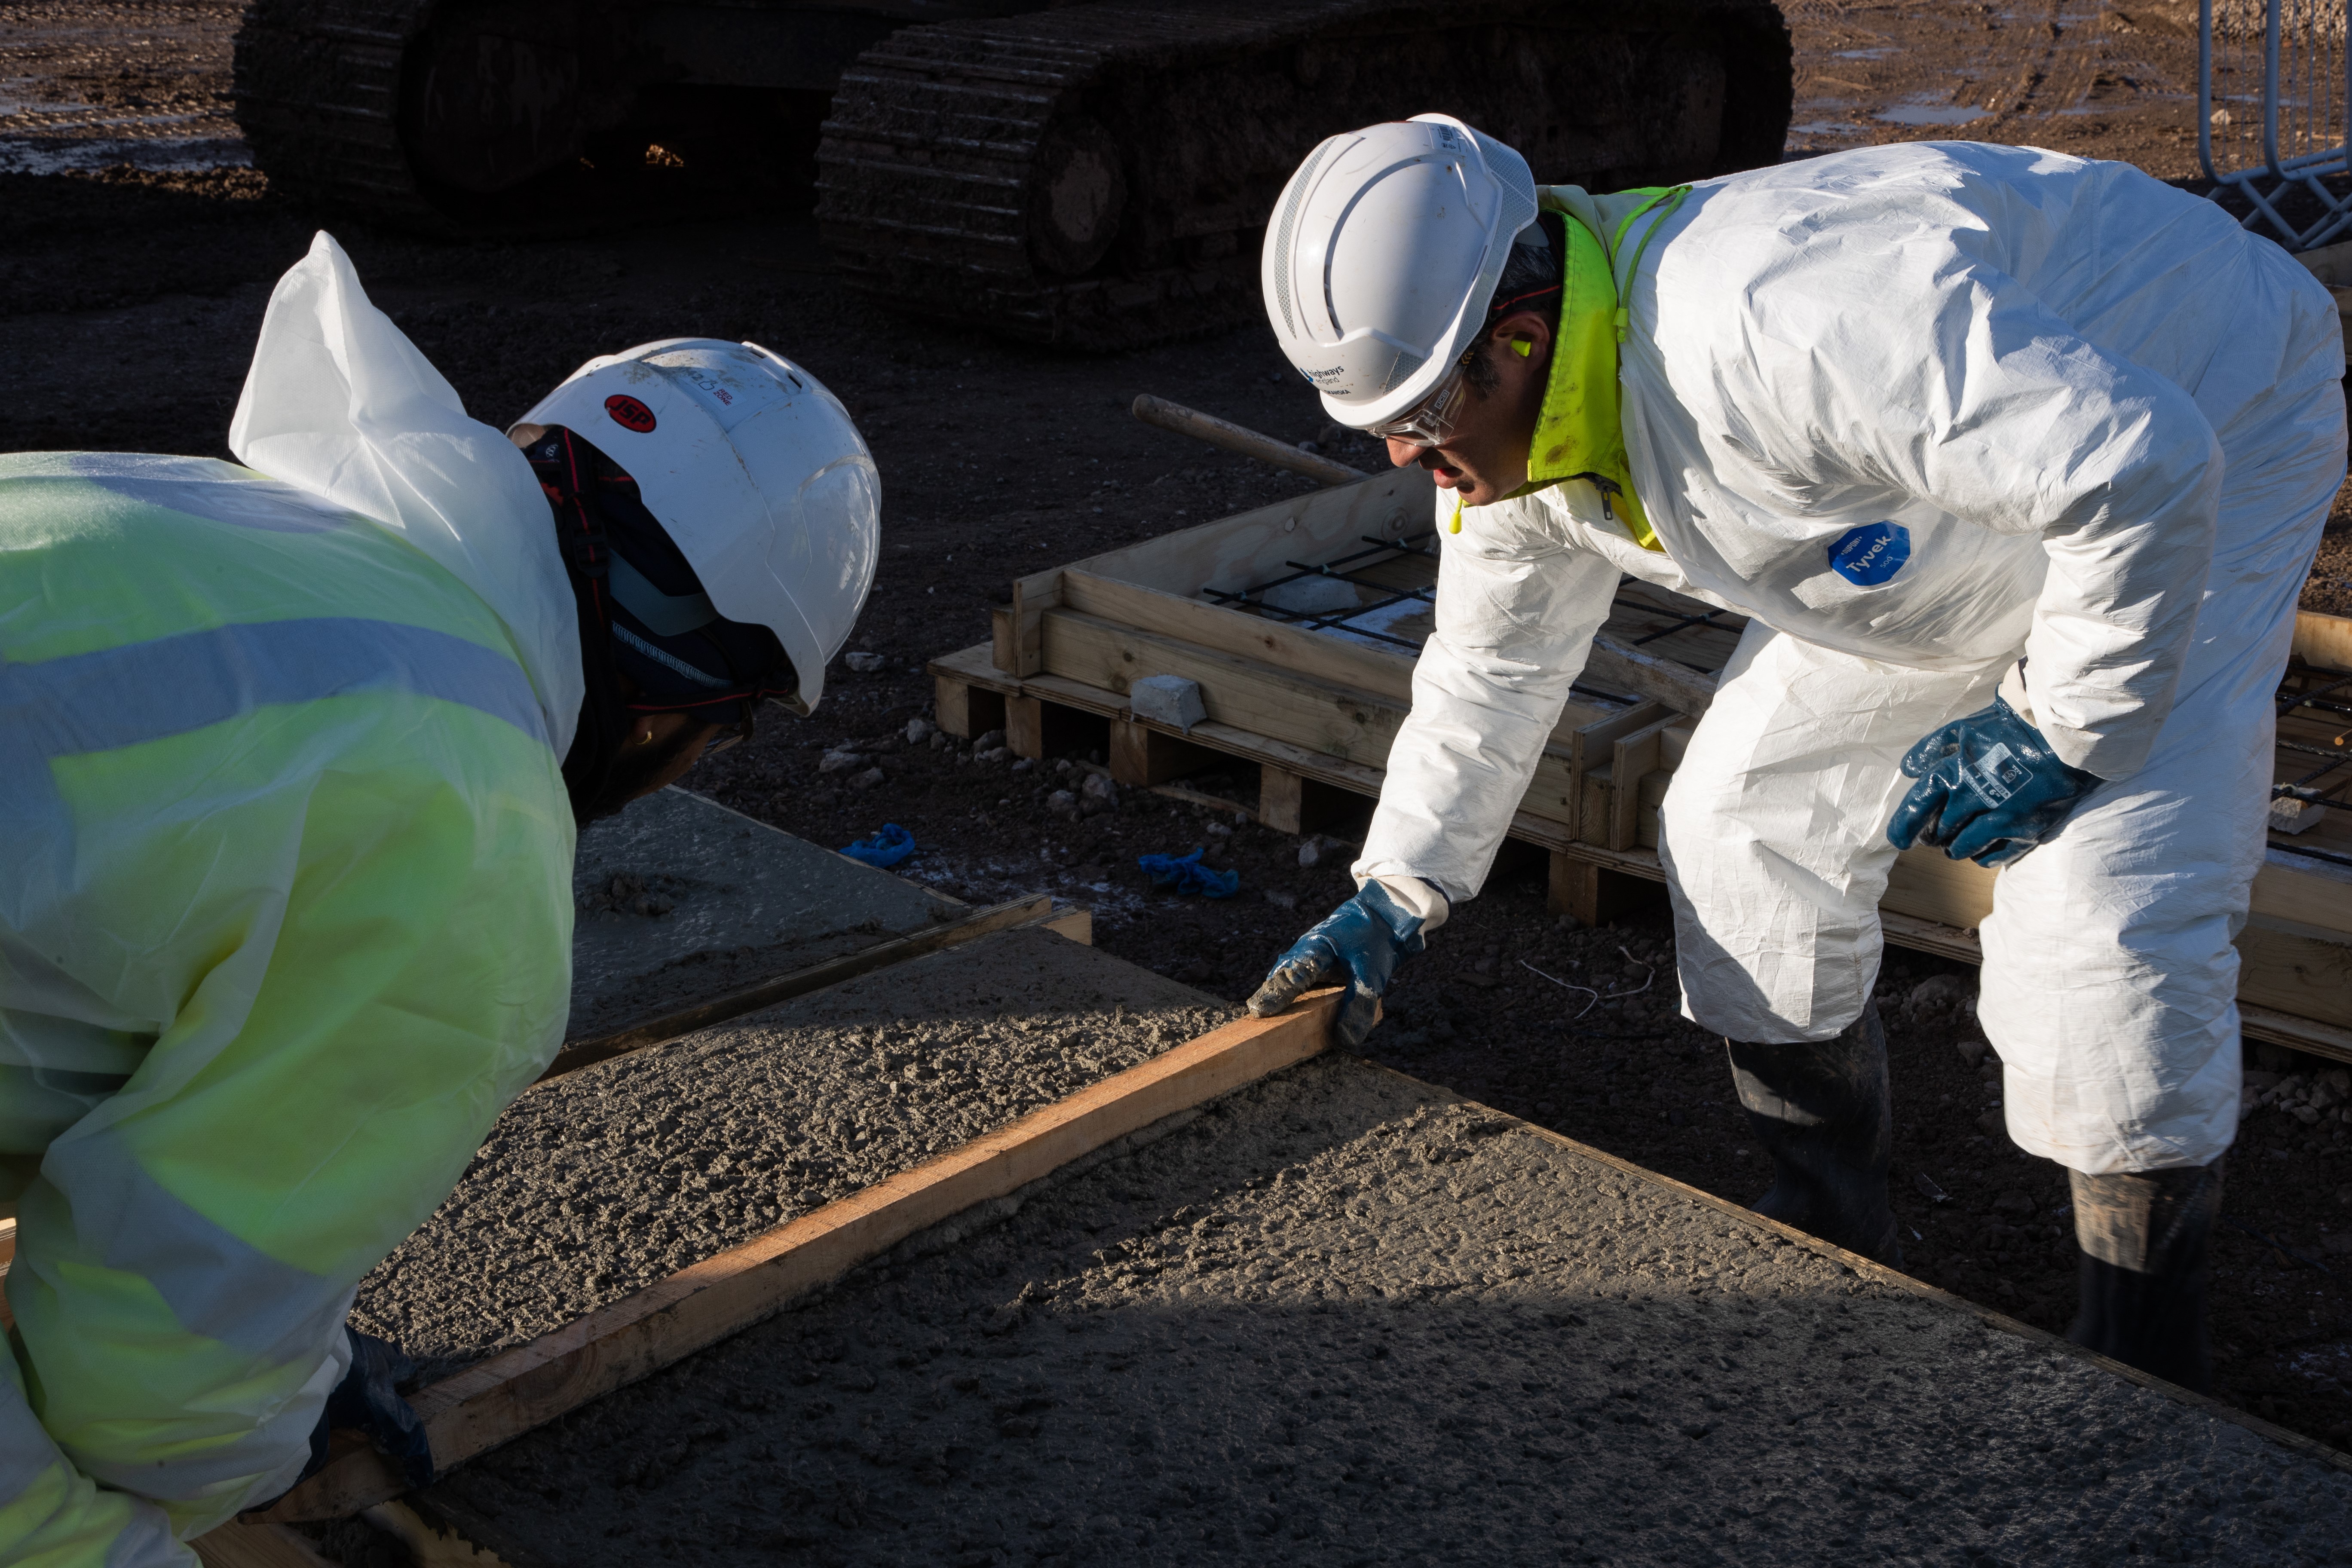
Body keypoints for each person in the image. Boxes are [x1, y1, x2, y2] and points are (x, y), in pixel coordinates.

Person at [1248, 118, 2345, 1392]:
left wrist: (2059, 725)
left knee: (2102, 914)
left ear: (1525, 338)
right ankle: (1834, 1224)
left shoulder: (1786, 323)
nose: (1402, 454)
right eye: (1377, 425)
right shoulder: (1525, 441)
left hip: (2203, 405)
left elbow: (2140, 469)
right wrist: (1396, 888)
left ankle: (2144, 1366)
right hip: (1957, 496)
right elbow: (1493, 666)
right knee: (1737, 827)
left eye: (1422, 413)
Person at [0, 233, 877, 1562]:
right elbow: (151, 1400)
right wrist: (263, 1418)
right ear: (682, 702)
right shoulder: (467, 819)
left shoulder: (221, 520)